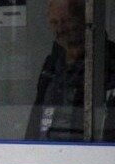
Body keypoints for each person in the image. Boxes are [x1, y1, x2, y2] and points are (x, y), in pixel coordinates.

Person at [26, 0, 115, 141]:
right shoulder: (52, 64)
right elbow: (37, 113)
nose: (60, 29)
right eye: (54, 22)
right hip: (46, 155)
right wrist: (28, 147)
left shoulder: (109, 60)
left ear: (84, 21)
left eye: (66, 21)